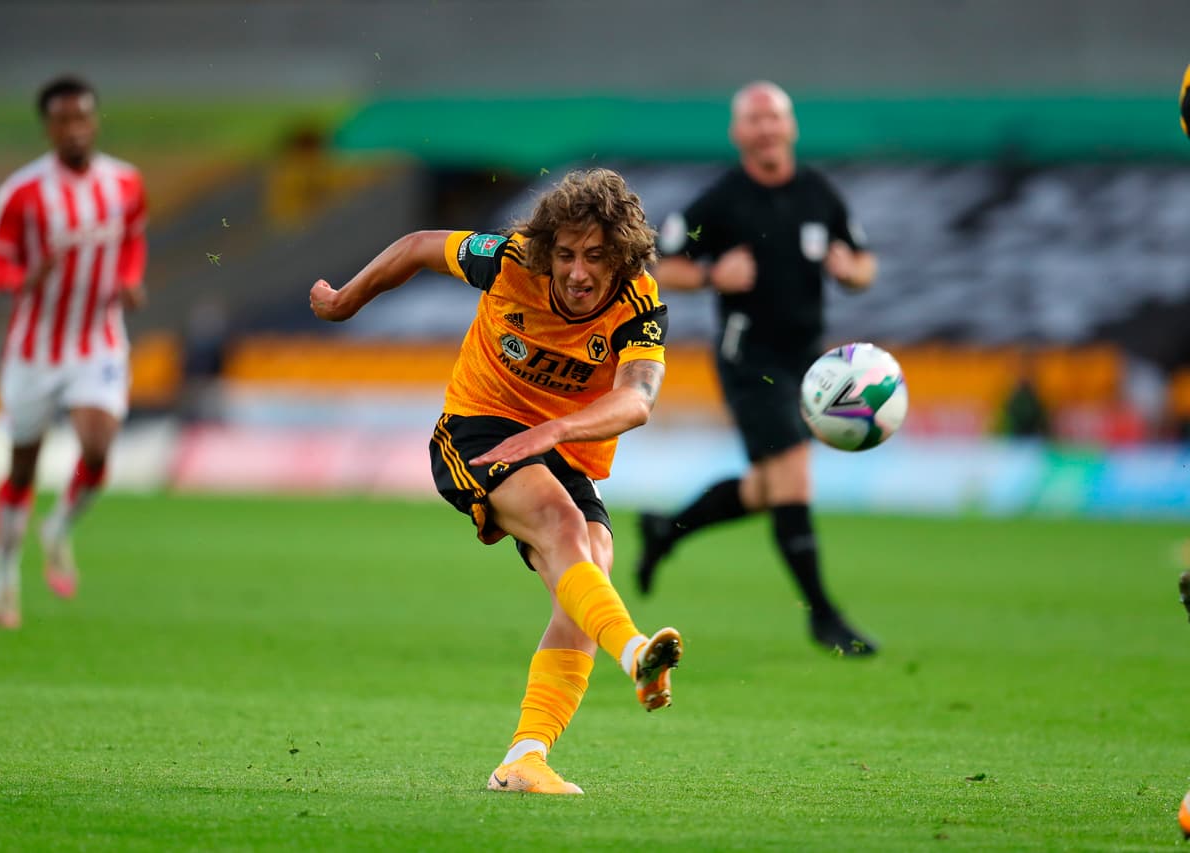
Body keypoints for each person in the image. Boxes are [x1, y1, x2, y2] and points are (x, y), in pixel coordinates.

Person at [309, 168, 683, 795]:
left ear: (621, 254)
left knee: (588, 572)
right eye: (565, 254)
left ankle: (525, 758)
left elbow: (637, 400)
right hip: (478, 431)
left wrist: (553, 433)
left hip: (558, 449)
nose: (577, 272)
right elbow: (420, 245)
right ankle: (635, 654)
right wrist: (348, 299)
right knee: (564, 528)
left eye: (595, 256)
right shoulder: (511, 261)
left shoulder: (638, 302)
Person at [636, 81, 879, 656]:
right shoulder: (722, 201)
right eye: (755, 119)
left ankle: (666, 530)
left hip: (807, 363)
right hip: (749, 358)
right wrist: (712, 275)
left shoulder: (819, 194)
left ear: (790, 127)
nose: (767, 127)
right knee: (793, 475)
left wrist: (851, 271)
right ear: (738, 133)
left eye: (775, 117)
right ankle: (823, 615)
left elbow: (865, 262)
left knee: (771, 489)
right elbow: (657, 261)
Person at [0, 75, 148, 629]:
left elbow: (133, 239)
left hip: (97, 336)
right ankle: (4, 577)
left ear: (95, 121)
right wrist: (25, 277)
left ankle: (57, 529)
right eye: (63, 120)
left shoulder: (124, 183)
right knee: (22, 469)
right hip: (34, 348)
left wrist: (129, 278)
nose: (75, 129)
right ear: (48, 127)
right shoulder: (21, 194)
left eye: (83, 117)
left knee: (98, 446)